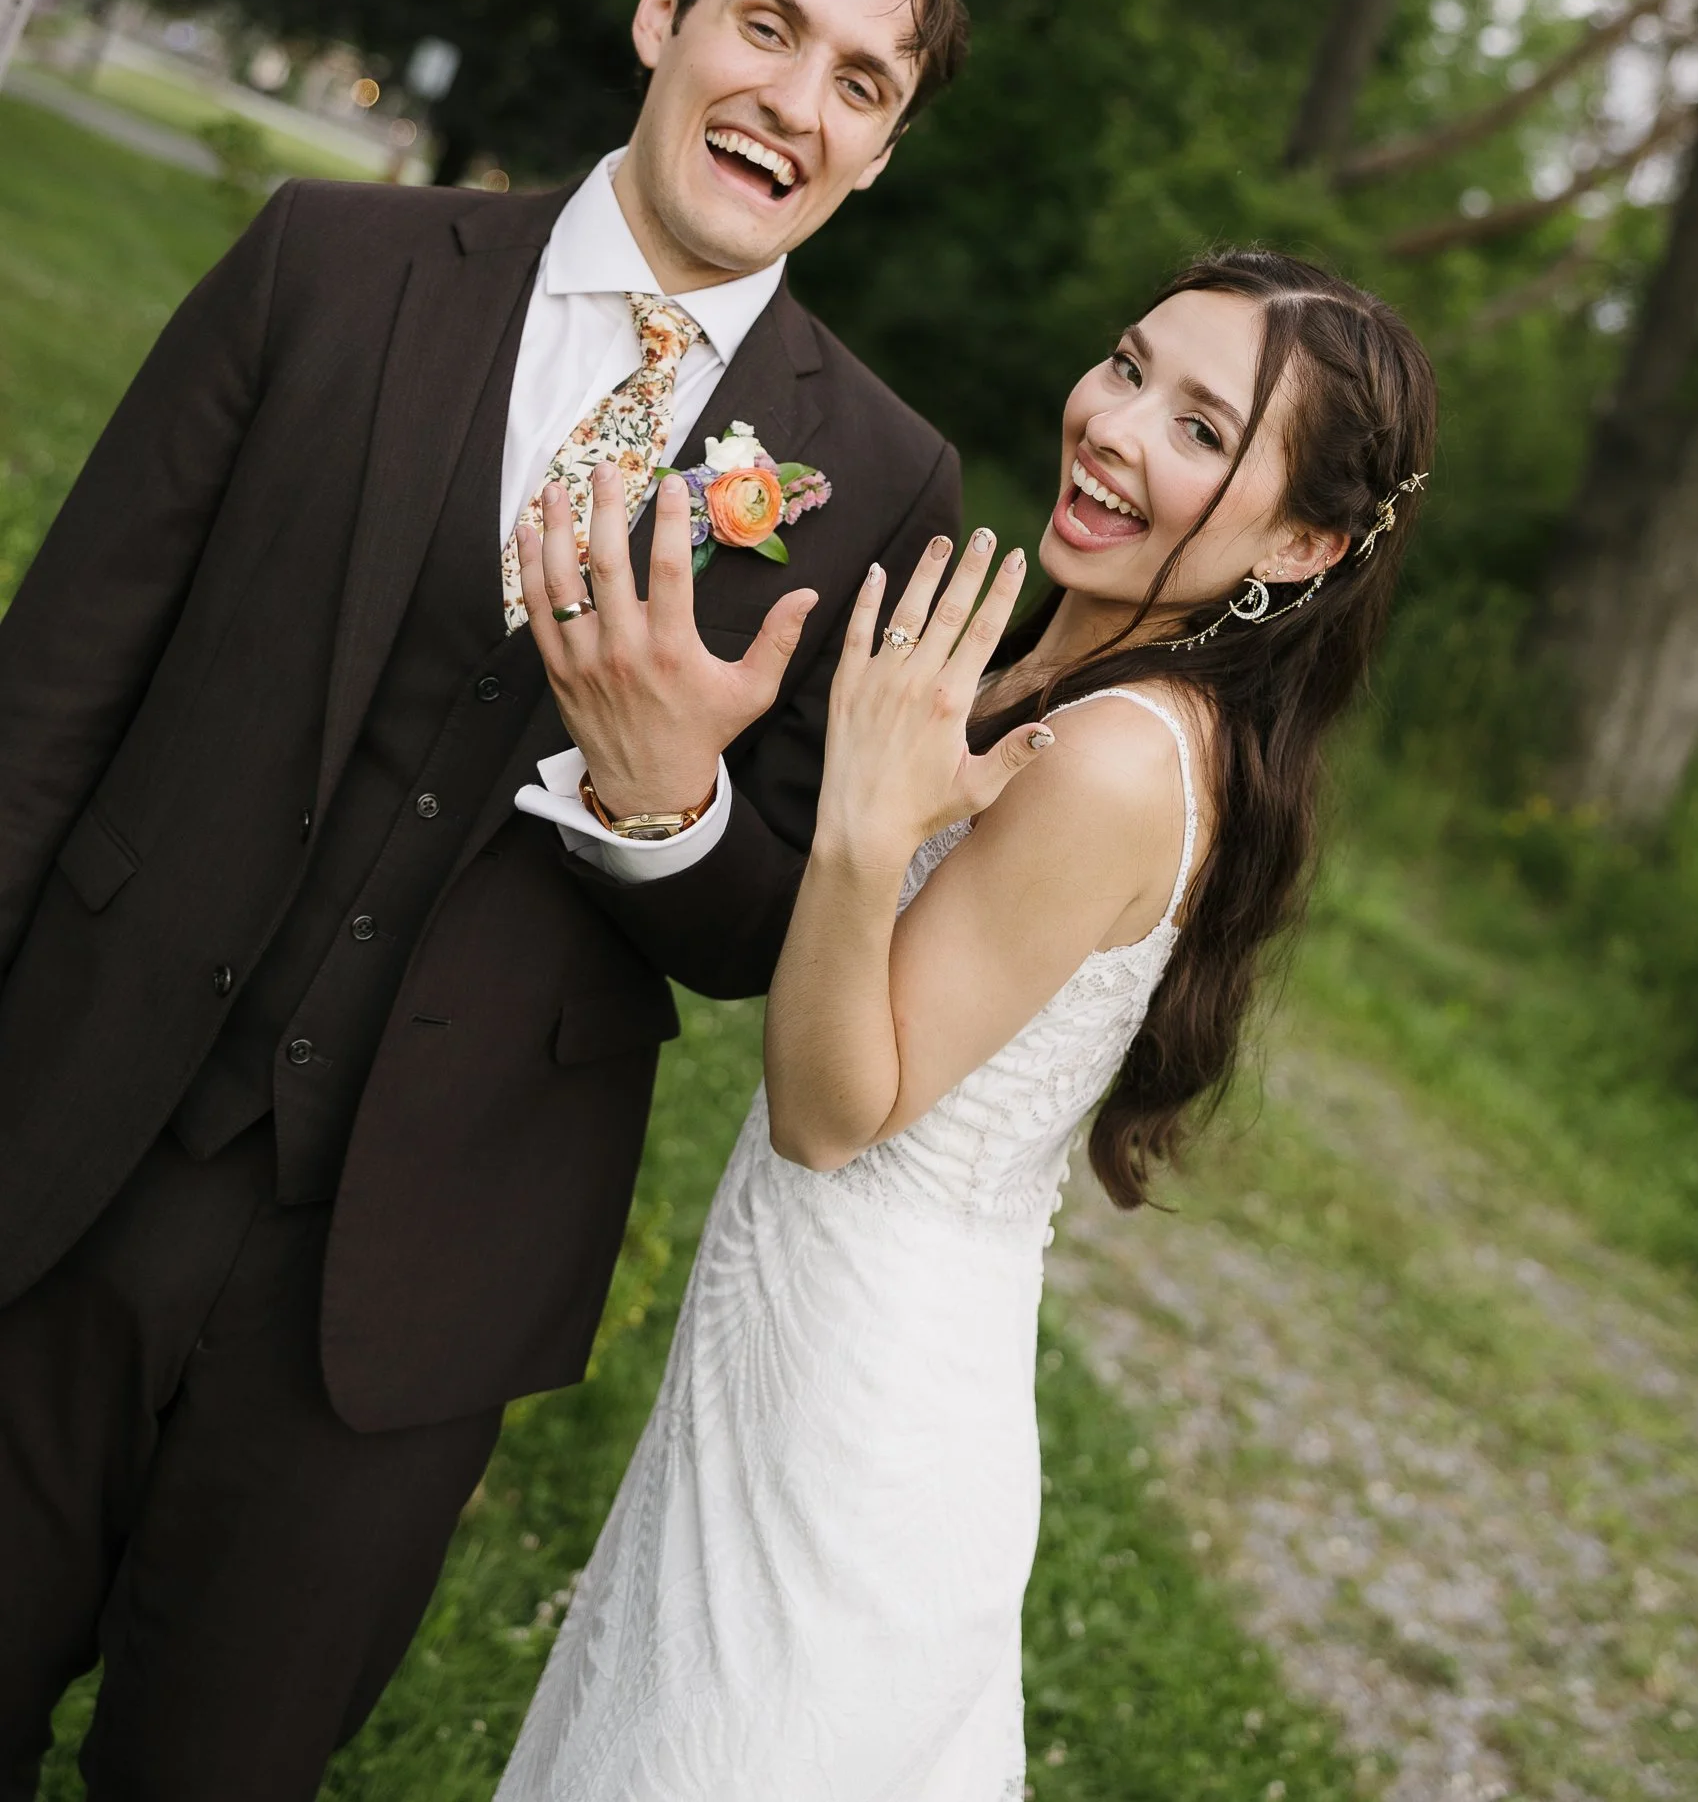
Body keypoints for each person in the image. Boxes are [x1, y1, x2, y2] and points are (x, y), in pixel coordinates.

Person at [0, 0, 970, 1801]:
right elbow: (50, 695)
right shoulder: (328, 264)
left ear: (881, 148)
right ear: (663, 19)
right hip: (79, 1133)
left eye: (861, 82)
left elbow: (776, 931)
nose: (796, 98)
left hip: (412, 1277)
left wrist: (666, 800)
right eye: (768, 25)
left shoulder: (875, 475)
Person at [497, 247, 1436, 1802]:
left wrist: (866, 828)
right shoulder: (1058, 675)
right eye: (1129, 366)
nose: (1118, 426)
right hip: (813, 1327)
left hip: (860, 1400)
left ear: (1304, 539)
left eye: (1203, 428)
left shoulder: (1121, 757)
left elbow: (832, 1108)